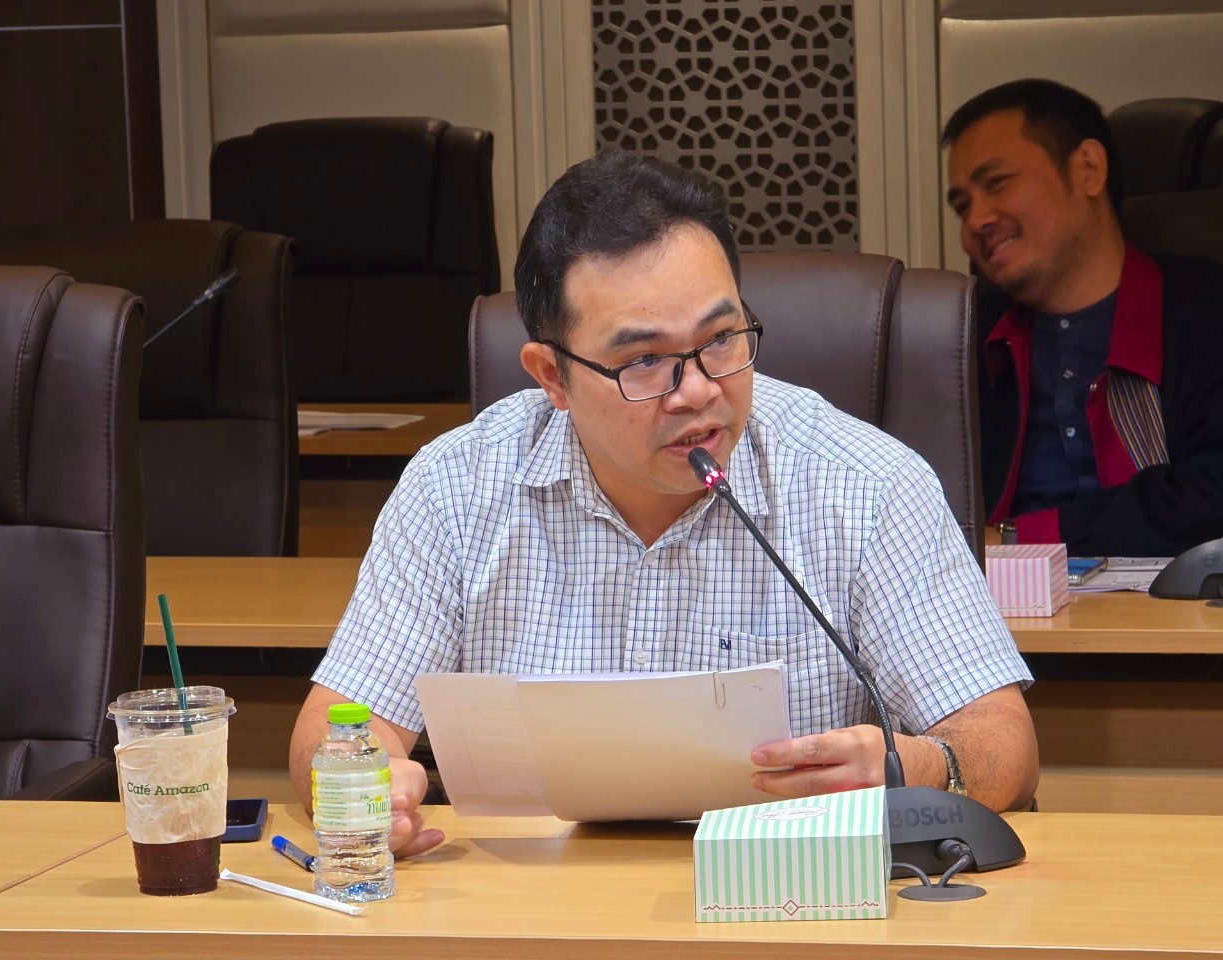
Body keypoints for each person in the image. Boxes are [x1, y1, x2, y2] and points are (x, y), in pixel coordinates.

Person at [290, 150, 1038, 858]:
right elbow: (337, 726)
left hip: (785, 903)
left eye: (722, 338)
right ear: (551, 376)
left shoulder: (865, 484)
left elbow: (1002, 742)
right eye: (645, 360)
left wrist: (916, 767)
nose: (699, 391)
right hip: (527, 910)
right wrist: (369, 789)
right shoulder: (455, 488)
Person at [944, 78, 1223, 557]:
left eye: (997, 183)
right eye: (962, 206)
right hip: (989, 597)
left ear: (1088, 170)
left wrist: (1020, 536)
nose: (976, 221)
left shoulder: (1207, 307)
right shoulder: (961, 336)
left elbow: (1212, 489)